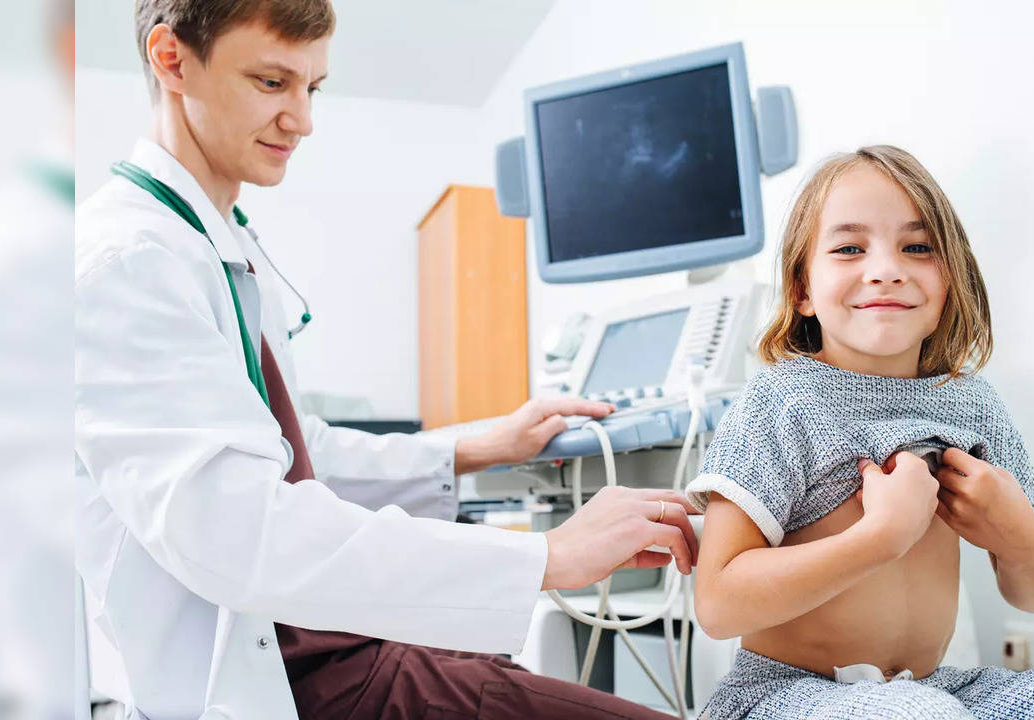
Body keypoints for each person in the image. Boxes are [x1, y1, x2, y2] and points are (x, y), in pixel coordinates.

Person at [75, 1, 694, 717]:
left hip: (341, 642)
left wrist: (479, 445)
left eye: (313, 88)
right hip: (295, 684)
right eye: (272, 83)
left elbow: (301, 455)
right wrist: (549, 557)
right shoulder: (125, 263)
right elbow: (239, 534)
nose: (303, 120)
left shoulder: (217, 243)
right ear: (171, 58)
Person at [685, 146, 1034, 718]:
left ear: (950, 283)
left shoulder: (973, 405)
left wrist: (1020, 537)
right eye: (849, 248)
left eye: (917, 247)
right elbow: (718, 604)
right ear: (802, 289)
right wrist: (880, 538)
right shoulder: (779, 403)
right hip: (783, 696)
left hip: (933, 690)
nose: (886, 268)